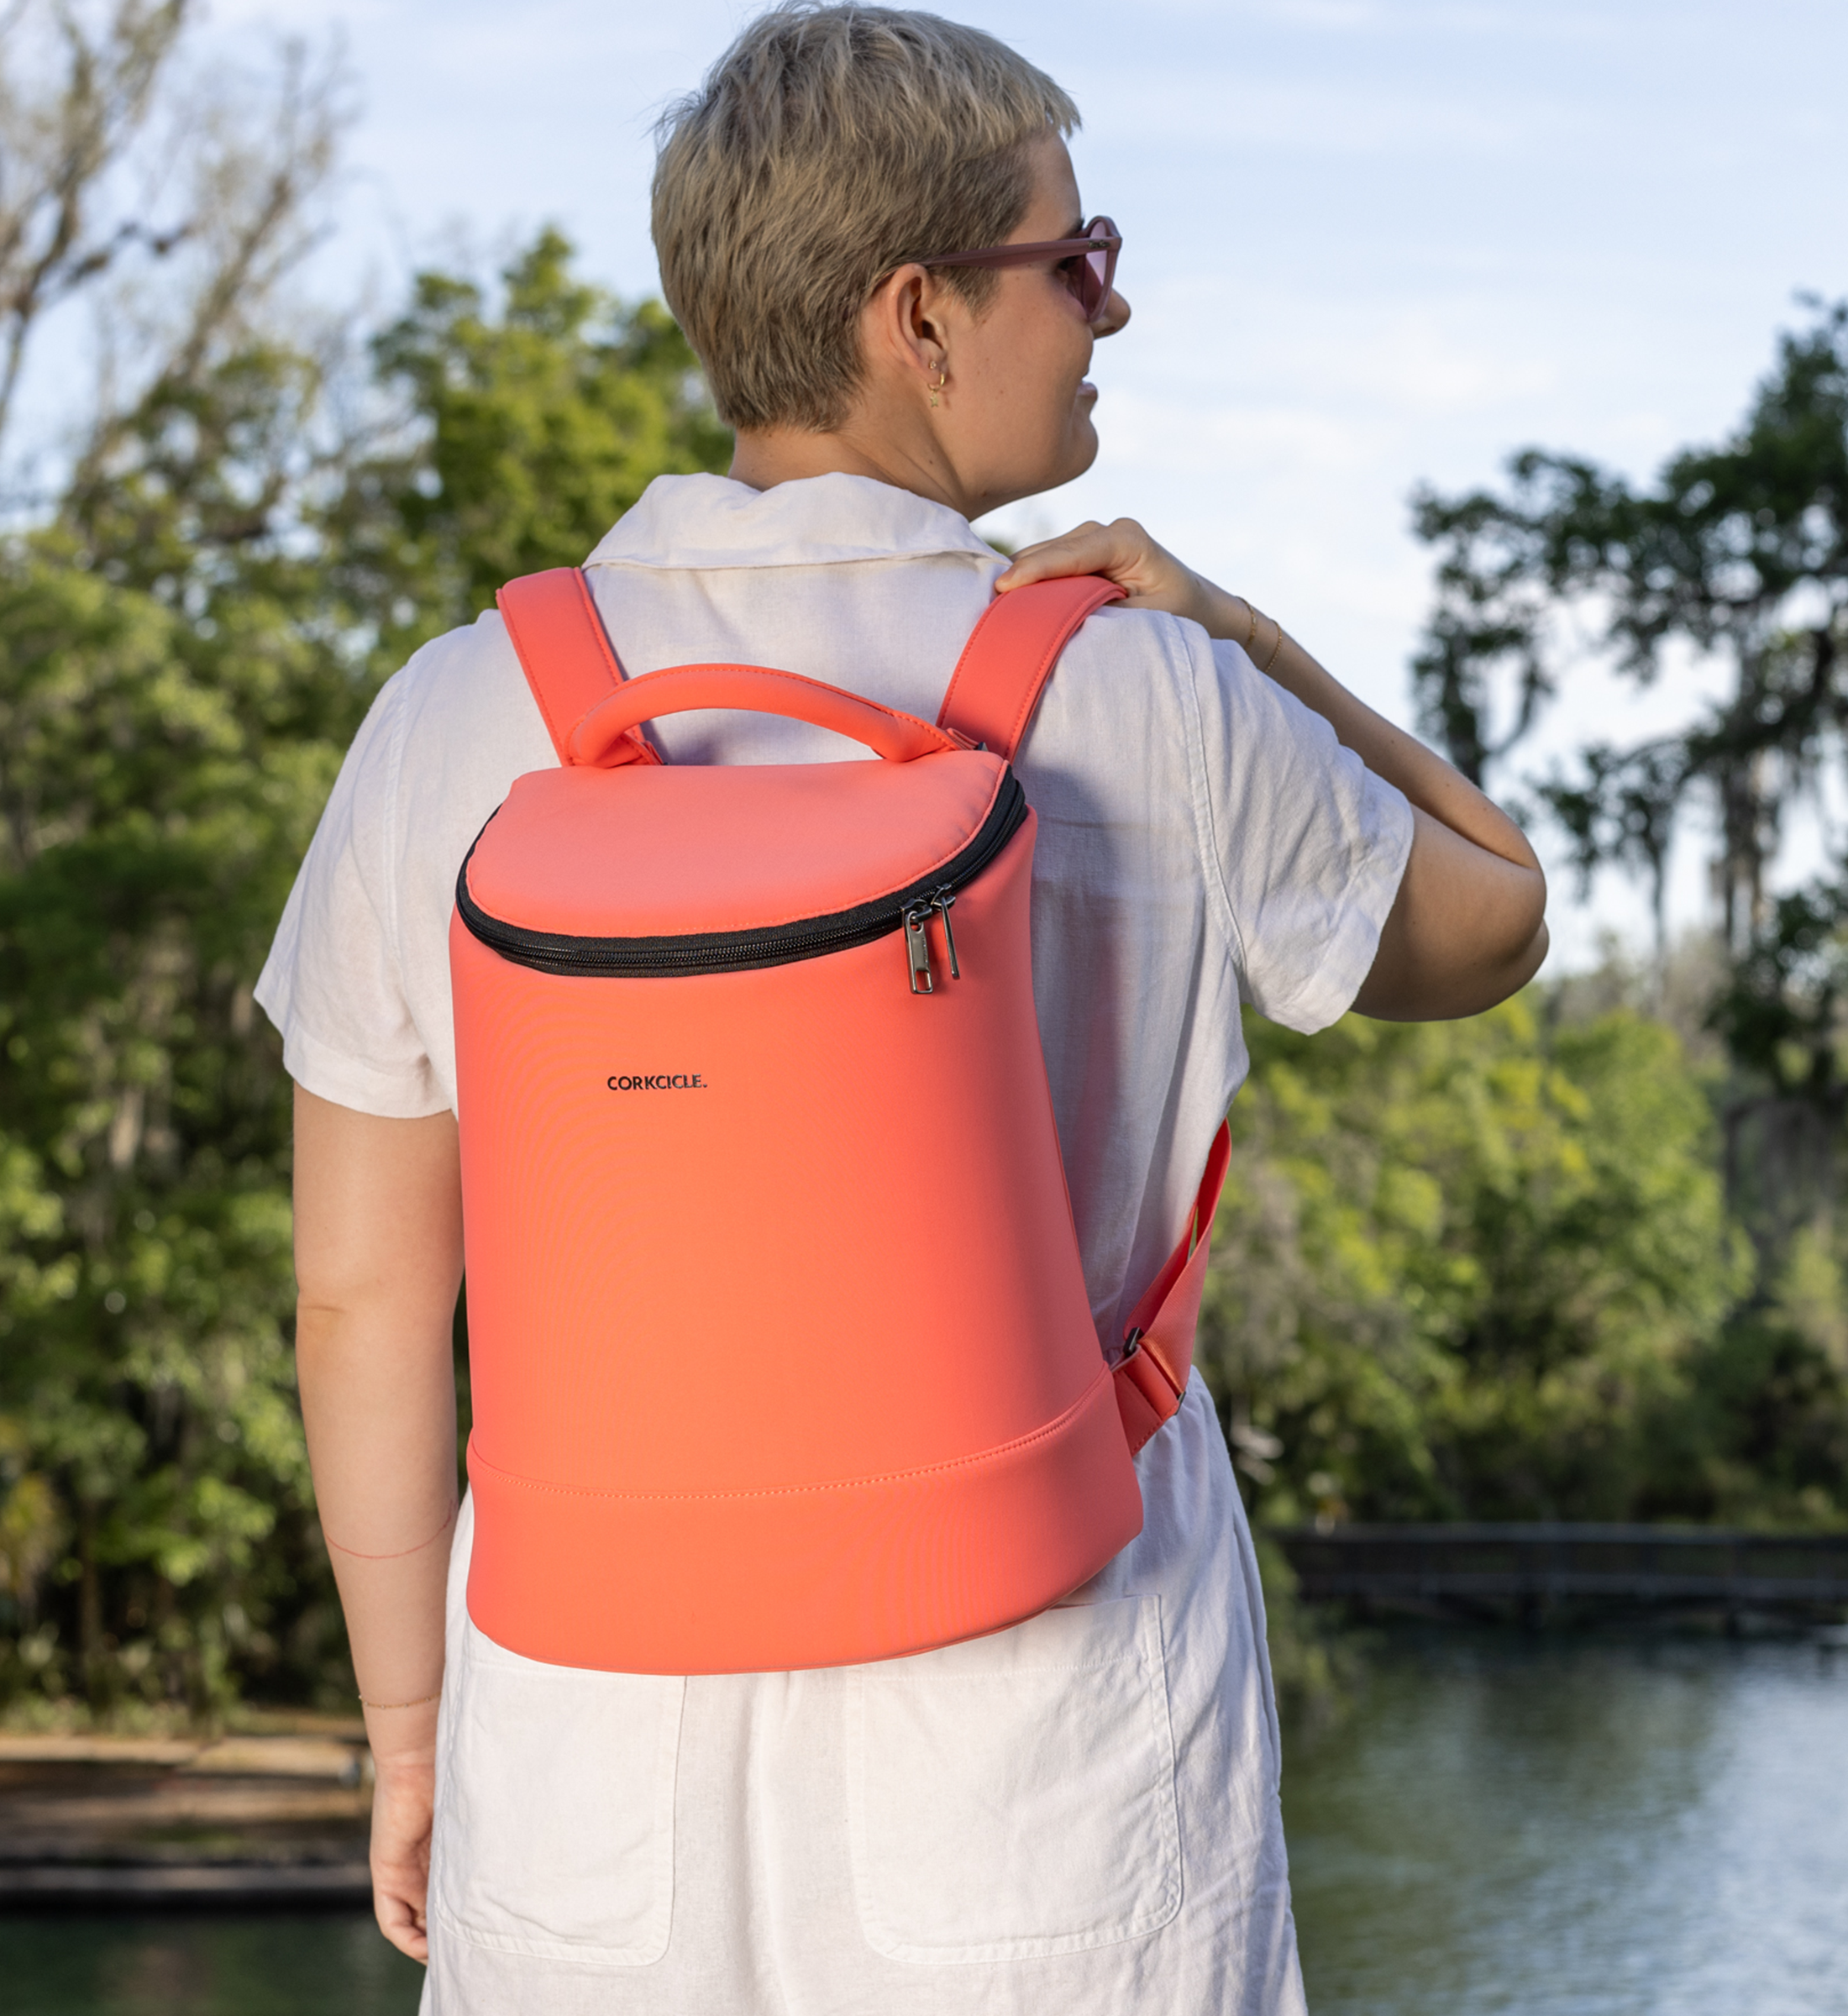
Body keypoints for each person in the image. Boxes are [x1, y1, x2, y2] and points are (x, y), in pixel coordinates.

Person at [257, 6, 1547, 2010]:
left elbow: (360, 1298)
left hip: (589, 1758)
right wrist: (1243, 632)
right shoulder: (1147, 694)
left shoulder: (456, 714)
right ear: (917, 315)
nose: (1113, 310)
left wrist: (414, 1734)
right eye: (1078, 257)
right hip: (1058, 1761)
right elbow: (1499, 920)